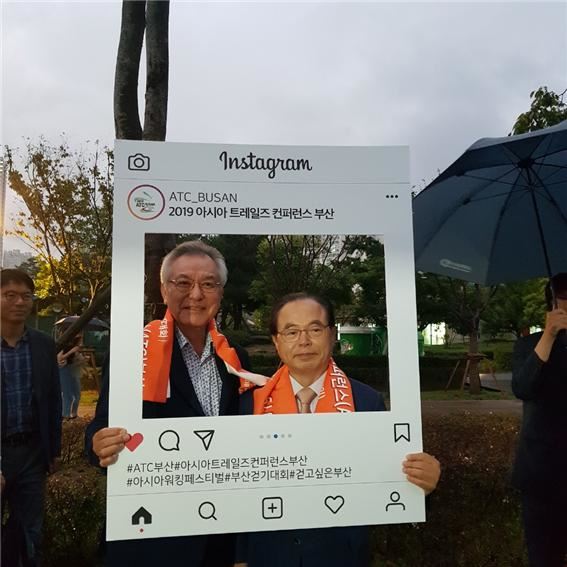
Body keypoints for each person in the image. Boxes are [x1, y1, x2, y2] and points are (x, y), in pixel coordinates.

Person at [85, 240, 264, 567]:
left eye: (208, 284)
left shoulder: (236, 358)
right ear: (164, 290)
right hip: (154, 533)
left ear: (220, 292)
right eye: (182, 282)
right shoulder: (135, 353)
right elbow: (101, 427)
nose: (195, 294)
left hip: (219, 531)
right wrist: (99, 443)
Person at [236, 292, 440, 567]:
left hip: (341, 555)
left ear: (332, 334)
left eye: (315, 329)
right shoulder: (248, 404)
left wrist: (422, 485)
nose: (304, 341)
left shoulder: (366, 401)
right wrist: (238, 557)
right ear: (276, 341)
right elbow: (233, 490)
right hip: (267, 555)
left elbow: (391, 484)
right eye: (291, 331)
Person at [1, 269, 62, 567]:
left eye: (26, 296)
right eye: (9, 295)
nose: (19, 302)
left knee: (31, 533)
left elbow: (53, 399)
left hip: (31, 454)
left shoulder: (42, 345)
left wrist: (54, 451)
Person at [512, 273, 567, 567]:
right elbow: (522, 388)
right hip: (541, 474)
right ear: (552, 301)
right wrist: (548, 336)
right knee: (544, 557)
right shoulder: (529, 345)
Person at [57, 334, 85, 419]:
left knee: (77, 394)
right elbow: (59, 358)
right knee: (67, 394)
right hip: (64, 370)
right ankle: (65, 415)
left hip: (72, 370)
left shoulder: (76, 347)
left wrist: (81, 359)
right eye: (80, 339)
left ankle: (73, 414)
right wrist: (71, 351)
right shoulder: (63, 346)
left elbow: (74, 362)